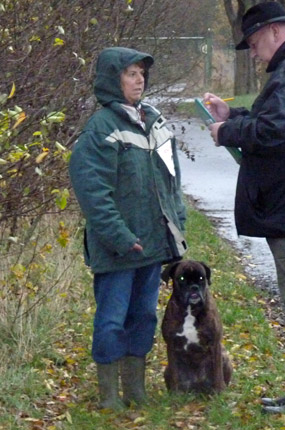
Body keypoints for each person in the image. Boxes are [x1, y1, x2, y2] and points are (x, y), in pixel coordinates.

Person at [69, 47, 187, 411]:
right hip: (118, 248)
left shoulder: (154, 121)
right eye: (131, 74)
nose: (139, 80)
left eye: (141, 74)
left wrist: (177, 224)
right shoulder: (101, 128)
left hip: (152, 245)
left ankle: (135, 390)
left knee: (143, 317)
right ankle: (108, 397)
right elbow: (92, 192)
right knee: (111, 320)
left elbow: (171, 182)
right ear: (112, 80)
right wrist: (121, 238)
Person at [204, 2, 285, 414]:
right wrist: (236, 115)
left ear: (275, 31)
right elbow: (279, 121)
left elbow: (279, 130)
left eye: (255, 42)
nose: (255, 53)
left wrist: (229, 130)